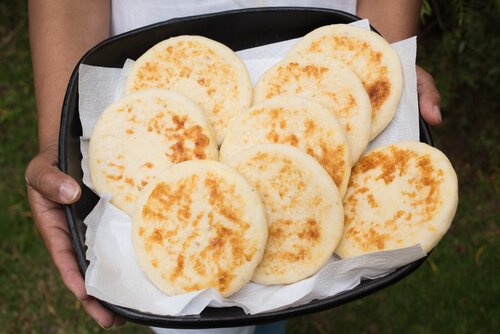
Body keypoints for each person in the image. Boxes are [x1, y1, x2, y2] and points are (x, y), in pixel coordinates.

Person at [25, 0, 442, 331]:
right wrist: (57, 139)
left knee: (280, 268)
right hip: (154, 51)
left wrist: (389, 55)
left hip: (324, 42)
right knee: (222, 292)